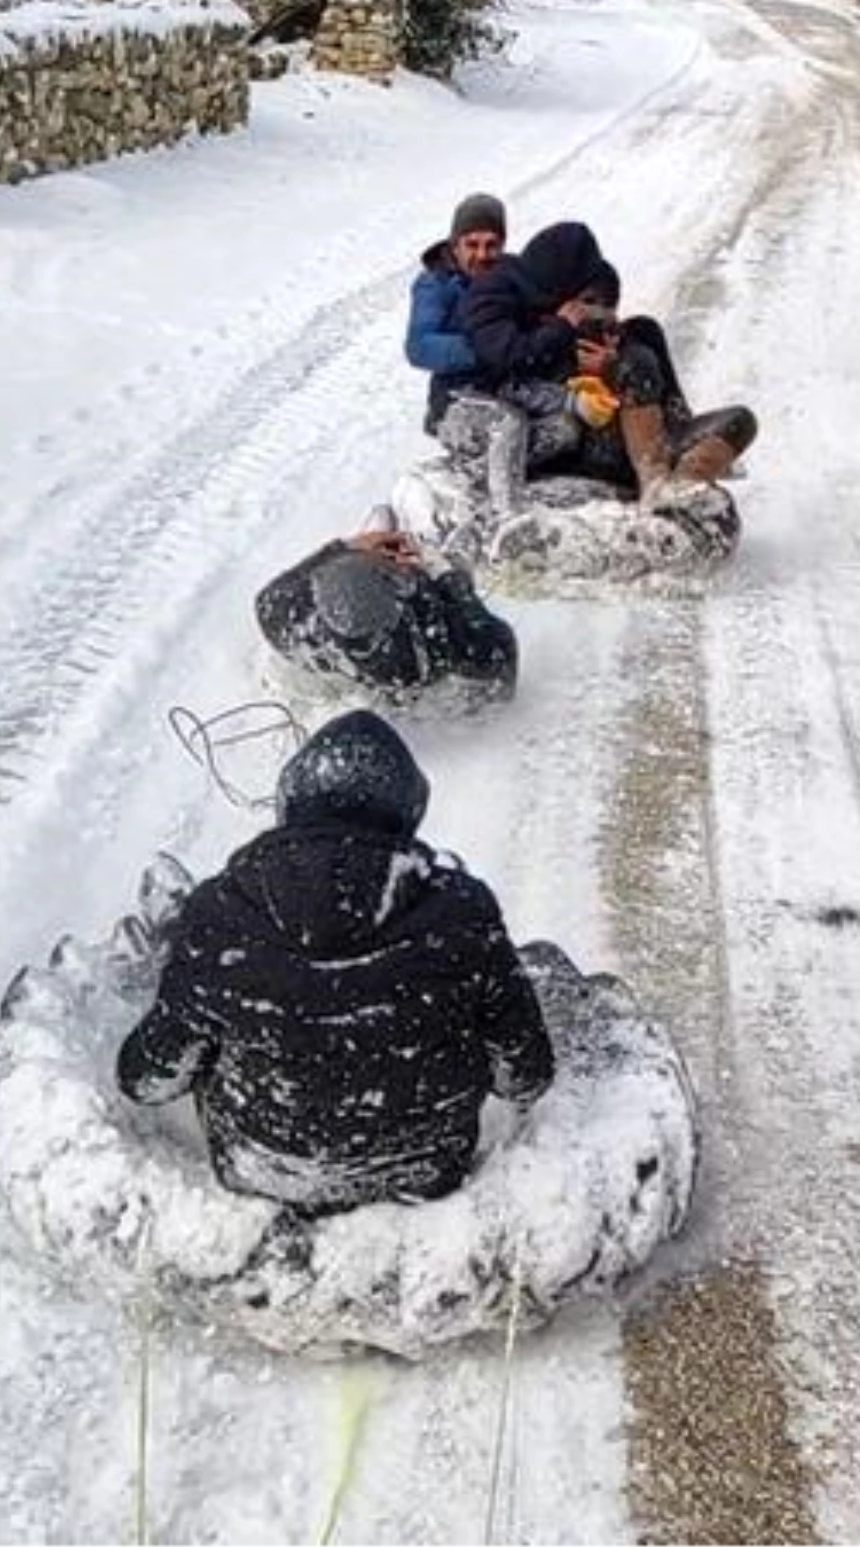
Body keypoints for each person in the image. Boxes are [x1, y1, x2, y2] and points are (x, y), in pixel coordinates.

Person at [117, 710, 554, 1214]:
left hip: (259, 1173)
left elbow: (146, 1080)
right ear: (408, 813)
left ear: (292, 804)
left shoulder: (217, 915)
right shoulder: (466, 915)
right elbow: (525, 1076)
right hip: (427, 1177)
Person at [458, 221, 757, 507]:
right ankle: (655, 486)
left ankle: (682, 483)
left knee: (741, 419)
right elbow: (510, 367)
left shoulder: (621, 337)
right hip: (592, 439)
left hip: (646, 435)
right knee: (635, 362)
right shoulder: (520, 319)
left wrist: (610, 355)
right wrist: (586, 367)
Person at [255, 517, 518, 702]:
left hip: (346, 669)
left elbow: (266, 602)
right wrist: (449, 579)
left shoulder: (289, 617)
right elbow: (500, 650)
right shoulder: (446, 637)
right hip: (421, 676)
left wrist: (346, 547)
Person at [405, 193, 509, 433]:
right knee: (509, 431)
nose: (482, 255)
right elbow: (419, 346)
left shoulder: (509, 275)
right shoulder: (435, 284)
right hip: (455, 398)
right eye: (472, 245)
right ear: (455, 246)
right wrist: (485, 347)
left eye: (491, 245)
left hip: (504, 388)